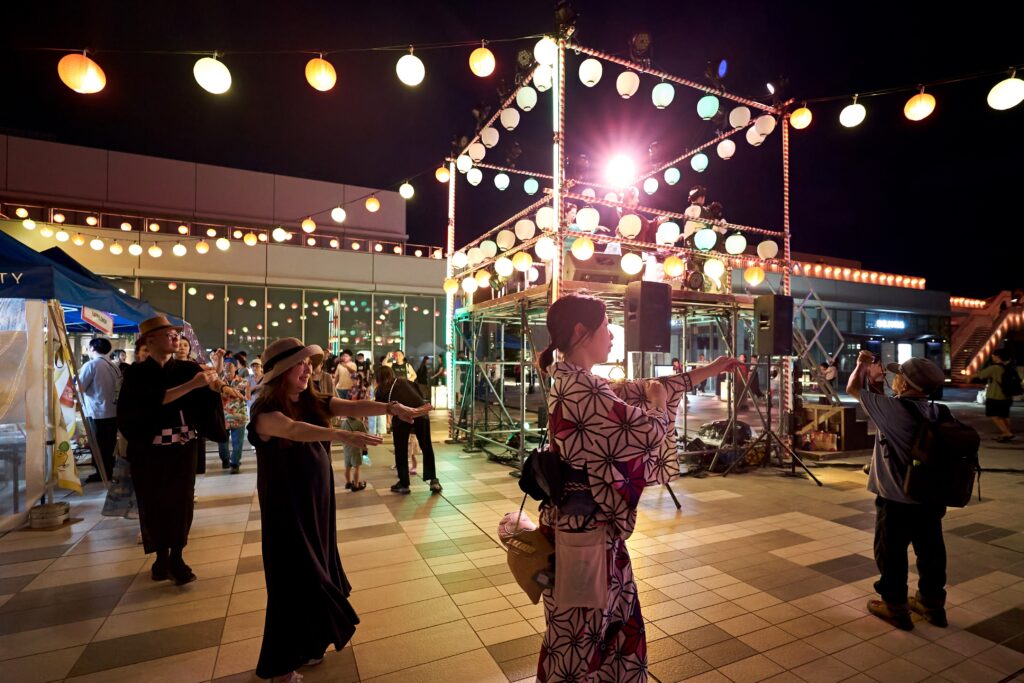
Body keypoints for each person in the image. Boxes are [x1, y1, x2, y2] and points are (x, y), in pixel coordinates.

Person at [534, 294, 743, 681]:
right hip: (585, 535)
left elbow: (646, 388)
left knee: (599, 626)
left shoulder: (578, 381)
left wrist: (710, 369)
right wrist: (659, 405)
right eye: (605, 327)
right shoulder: (584, 390)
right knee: (581, 637)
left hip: (584, 529)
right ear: (581, 331)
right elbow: (647, 430)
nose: (612, 335)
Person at [248, 338, 429, 682]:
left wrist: (392, 409)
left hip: (317, 504)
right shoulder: (264, 412)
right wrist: (343, 436)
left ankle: (310, 644)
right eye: (300, 365)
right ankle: (281, 667)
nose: (308, 371)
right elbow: (292, 430)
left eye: (309, 365)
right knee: (294, 580)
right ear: (281, 372)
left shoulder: (310, 400)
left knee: (318, 570)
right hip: (287, 510)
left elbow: (353, 406)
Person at [117, 316, 239, 585]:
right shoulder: (136, 373)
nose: (175, 338)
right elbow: (152, 402)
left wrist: (221, 387)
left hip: (183, 447)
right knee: (154, 502)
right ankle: (161, 557)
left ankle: (177, 556)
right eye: (168, 334)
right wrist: (193, 385)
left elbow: (208, 385)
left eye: (176, 334)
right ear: (149, 340)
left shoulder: (187, 368)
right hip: (149, 450)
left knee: (181, 503)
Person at [847, 351, 949, 631]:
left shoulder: (892, 409)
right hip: (930, 497)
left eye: (898, 375)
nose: (894, 378)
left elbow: (853, 389)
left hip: (896, 498)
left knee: (891, 553)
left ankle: (895, 606)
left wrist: (861, 365)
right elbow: (889, 408)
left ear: (904, 384)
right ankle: (932, 604)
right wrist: (876, 383)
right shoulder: (938, 411)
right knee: (931, 551)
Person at [374, 365, 438, 494]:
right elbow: (420, 395)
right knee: (426, 446)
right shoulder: (405, 381)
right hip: (421, 413)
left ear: (378, 378)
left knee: (401, 449)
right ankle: (434, 481)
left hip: (401, 418)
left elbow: (379, 407)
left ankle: (404, 484)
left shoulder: (382, 389)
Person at [79, 337, 120, 483]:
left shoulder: (91, 365)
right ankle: (108, 472)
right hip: (113, 412)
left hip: (96, 413)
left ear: (92, 348)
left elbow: (80, 387)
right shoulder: (114, 366)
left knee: (98, 446)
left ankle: (101, 474)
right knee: (109, 445)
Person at [970, 349, 1017, 442]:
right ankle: (1006, 432)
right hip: (1007, 395)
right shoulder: (1009, 367)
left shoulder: (994, 368)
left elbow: (981, 375)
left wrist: (966, 377)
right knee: (1004, 415)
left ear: (998, 357)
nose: (992, 357)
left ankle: (1007, 433)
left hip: (995, 395)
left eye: (994, 355)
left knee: (994, 414)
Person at [219, 359, 249, 473]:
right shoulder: (218, 382)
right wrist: (234, 393)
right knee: (222, 441)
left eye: (230, 365)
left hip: (239, 417)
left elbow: (247, 397)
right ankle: (225, 459)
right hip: (223, 417)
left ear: (236, 368)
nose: (227, 367)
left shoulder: (243, 381)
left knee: (238, 443)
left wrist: (241, 395)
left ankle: (235, 464)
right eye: (225, 365)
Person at [340, 415, 368, 491]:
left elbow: (341, 436)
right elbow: (365, 436)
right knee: (356, 468)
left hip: (346, 448)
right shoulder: (359, 423)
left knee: (347, 467)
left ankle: (348, 483)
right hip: (356, 449)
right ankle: (355, 485)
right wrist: (365, 447)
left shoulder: (343, 423)